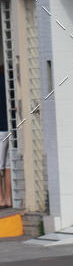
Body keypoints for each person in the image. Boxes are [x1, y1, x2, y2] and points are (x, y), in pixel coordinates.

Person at [0, 65, 11, 208]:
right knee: (8, 165)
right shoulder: (8, 79)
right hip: (11, 127)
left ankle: (1, 200)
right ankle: (8, 199)